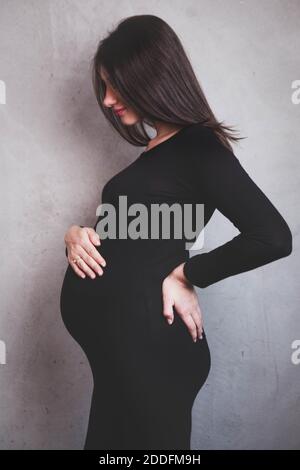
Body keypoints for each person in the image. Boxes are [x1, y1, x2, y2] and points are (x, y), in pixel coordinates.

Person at [60, 14, 292, 450]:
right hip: (118, 358)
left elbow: (273, 236)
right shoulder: (153, 156)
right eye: (104, 87)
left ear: (153, 76)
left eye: (117, 86)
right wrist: (75, 236)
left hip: (153, 354)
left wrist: (188, 274)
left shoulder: (198, 147)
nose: (108, 100)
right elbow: (126, 239)